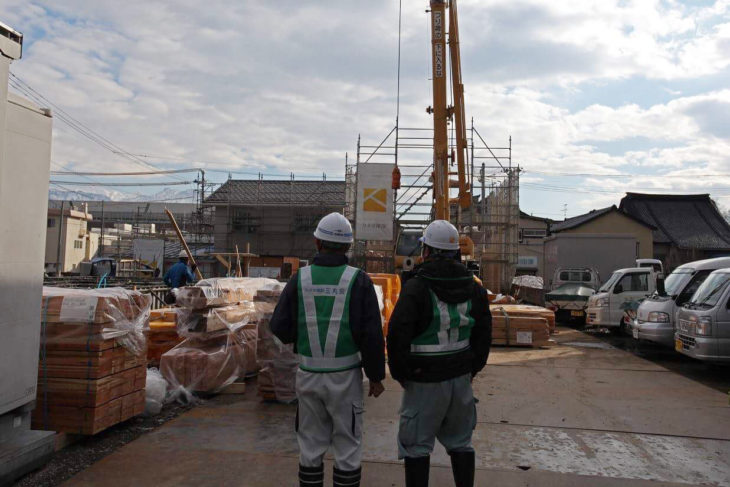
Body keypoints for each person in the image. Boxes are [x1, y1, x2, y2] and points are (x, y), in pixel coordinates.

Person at [270, 212, 386, 487]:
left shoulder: (301, 279)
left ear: (317, 243)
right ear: (347, 246)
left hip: (308, 373)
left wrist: (301, 340)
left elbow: (279, 325)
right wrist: (376, 376)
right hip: (345, 377)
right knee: (347, 447)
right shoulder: (359, 280)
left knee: (310, 447)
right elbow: (371, 334)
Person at [387, 220, 492, 487]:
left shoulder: (417, 287)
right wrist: (472, 369)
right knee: (461, 442)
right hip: (460, 378)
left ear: (427, 252)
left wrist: (402, 374)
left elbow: (397, 334)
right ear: (457, 252)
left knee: (417, 446)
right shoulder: (475, 287)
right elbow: (484, 335)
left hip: (424, 379)